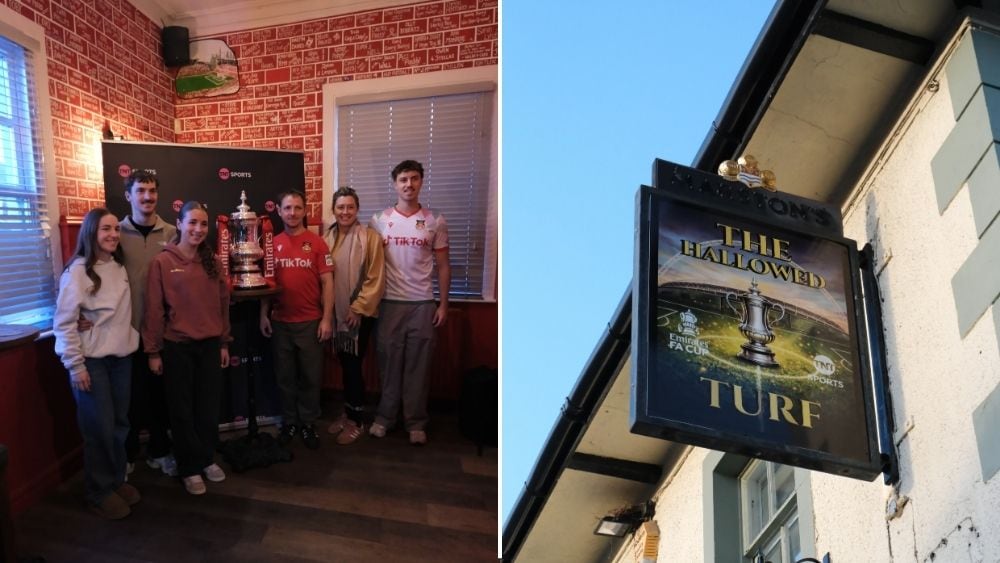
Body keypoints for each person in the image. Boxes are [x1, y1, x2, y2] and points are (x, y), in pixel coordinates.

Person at [54, 208, 141, 519]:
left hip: (121, 359)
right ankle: (98, 491)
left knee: (119, 425)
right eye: (106, 229)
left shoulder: (118, 267)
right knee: (98, 429)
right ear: (90, 232)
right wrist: (75, 365)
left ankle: (116, 480)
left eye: (116, 229)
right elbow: (63, 322)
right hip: (92, 363)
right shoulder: (77, 271)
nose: (113, 235)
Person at [143, 201, 231, 495]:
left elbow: (222, 306)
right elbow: (154, 310)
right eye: (192, 222)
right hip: (177, 347)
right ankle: (189, 467)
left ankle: (205, 459)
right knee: (181, 411)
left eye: (203, 224)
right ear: (178, 224)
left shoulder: (213, 262)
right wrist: (153, 351)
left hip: (208, 347)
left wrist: (223, 343)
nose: (198, 229)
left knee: (207, 408)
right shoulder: (163, 262)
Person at [368, 160, 450, 445]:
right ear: (395, 184)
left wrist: (443, 305)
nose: (409, 184)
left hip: (423, 304)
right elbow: (371, 266)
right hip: (389, 304)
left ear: (421, 182)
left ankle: (415, 422)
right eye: (403, 179)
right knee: (389, 365)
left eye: (414, 179)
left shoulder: (435, 220)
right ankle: (385, 418)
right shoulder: (379, 220)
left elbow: (442, 266)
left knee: (419, 365)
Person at [259, 190, 334, 449]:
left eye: (297, 208)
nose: (292, 213)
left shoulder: (317, 243)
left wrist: (326, 319)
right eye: (287, 208)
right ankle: (290, 422)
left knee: (311, 378)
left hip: (311, 322)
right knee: (285, 377)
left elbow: (328, 282)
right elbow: (267, 285)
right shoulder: (271, 245)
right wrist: (263, 314)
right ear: (279, 211)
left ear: (304, 211)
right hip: (280, 322)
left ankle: (308, 424)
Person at [119, 170, 178, 477]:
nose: (147, 197)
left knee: (160, 398)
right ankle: (127, 456)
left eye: (152, 191)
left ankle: (160, 451)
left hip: (162, 332)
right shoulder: (113, 234)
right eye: (140, 190)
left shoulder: (172, 233)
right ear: (129, 195)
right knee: (128, 400)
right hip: (125, 332)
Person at [324, 187, 385, 445]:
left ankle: (356, 420)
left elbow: (376, 277)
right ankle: (348, 412)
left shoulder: (370, 237)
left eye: (350, 207)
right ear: (334, 209)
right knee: (345, 364)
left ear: (357, 209)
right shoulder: (327, 237)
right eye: (340, 207)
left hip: (359, 314)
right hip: (336, 312)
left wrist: (358, 308)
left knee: (352, 366)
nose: (345, 212)